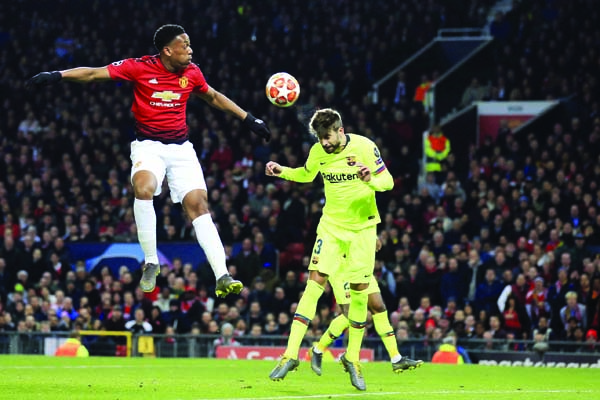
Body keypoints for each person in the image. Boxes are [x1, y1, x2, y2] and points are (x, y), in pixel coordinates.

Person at [26, 24, 271, 298]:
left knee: (198, 206)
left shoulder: (192, 73)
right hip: (148, 147)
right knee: (143, 188)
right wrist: (58, 75)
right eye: (185, 45)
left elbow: (213, 97)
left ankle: (222, 275)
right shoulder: (139, 67)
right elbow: (95, 74)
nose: (190, 50)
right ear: (167, 50)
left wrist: (249, 119)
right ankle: (151, 262)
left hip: (181, 149)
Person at [266, 108, 393, 391]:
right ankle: (289, 355)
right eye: (320, 138)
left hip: (363, 230)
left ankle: (354, 359)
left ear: (340, 129)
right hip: (331, 228)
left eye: (327, 137)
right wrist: (282, 171)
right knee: (314, 283)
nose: (324, 143)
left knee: (360, 293)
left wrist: (368, 178)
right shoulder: (318, 152)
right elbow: (306, 174)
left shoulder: (365, 147)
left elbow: (388, 182)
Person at [309, 239, 423, 374]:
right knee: (351, 315)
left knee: (379, 307)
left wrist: (372, 237)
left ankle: (396, 358)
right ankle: (318, 350)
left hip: (361, 265)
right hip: (341, 267)